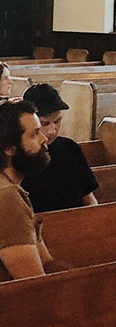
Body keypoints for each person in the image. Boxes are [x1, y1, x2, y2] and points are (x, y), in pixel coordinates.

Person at [0, 99, 61, 280]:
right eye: (35, 134)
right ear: (10, 148)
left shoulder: (13, 189)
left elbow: (46, 262)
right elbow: (34, 284)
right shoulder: (6, 198)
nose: (44, 139)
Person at [20, 83, 99, 212]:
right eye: (44, 123)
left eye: (57, 121)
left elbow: (89, 199)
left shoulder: (69, 148)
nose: (52, 131)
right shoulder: (19, 155)